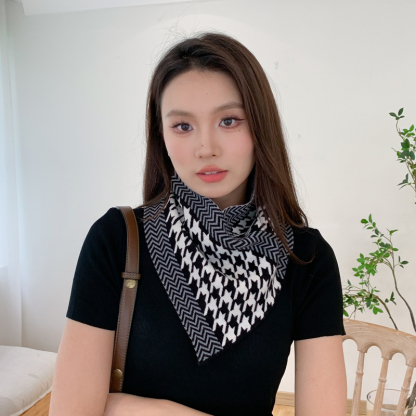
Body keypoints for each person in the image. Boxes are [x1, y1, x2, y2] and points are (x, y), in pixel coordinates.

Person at [49, 31, 347, 416]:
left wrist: (119, 407)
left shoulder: (306, 258)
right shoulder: (115, 240)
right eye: (183, 126)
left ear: (260, 125)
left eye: (229, 120)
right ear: (161, 135)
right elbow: (71, 411)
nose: (206, 148)